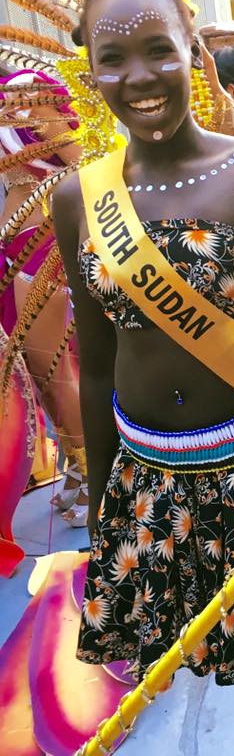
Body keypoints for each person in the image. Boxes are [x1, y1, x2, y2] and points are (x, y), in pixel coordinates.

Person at [51, 0, 234, 756]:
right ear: (91, 69)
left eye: (158, 50)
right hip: (154, 484)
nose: (139, 76)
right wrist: (108, 511)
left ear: (189, 51)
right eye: (114, 58)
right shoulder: (81, 198)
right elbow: (97, 363)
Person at [0, 70, 87, 526]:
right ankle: (77, 467)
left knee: (55, 367)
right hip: (11, 247)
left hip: (39, 243)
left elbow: (83, 160)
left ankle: (94, 473)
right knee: (37, 370)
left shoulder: (28, 88)